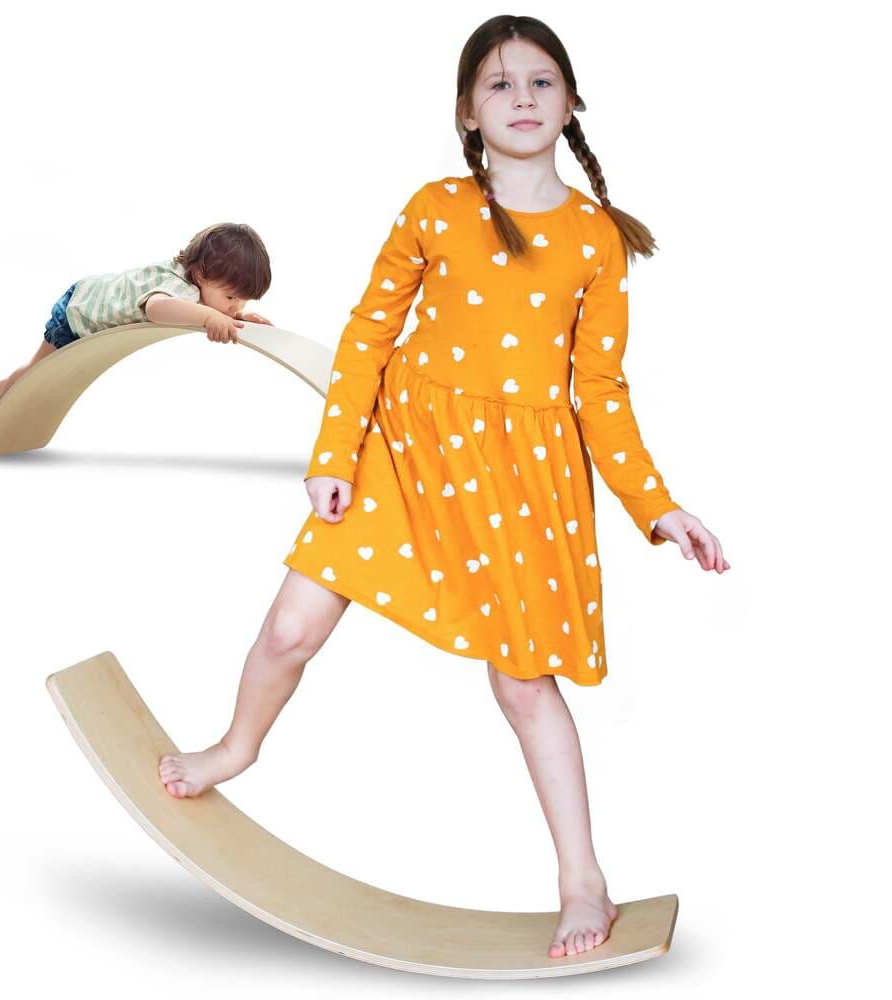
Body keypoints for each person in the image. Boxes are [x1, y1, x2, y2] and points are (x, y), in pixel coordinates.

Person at [158, 14, 729, 960]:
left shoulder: (596, 239)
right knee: (293, 626)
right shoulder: (433, 208)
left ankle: (582, 878)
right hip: (407, 454)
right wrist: (334, 459)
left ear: (572, 102)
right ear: (467, 111)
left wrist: (654, 504)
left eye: (541, 83)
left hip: (519, 480)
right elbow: (369, 336)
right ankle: (237, 745)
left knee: (524, 685)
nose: (521, 100)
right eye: (499, 86)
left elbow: (600, 388)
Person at [0, 222, 274, 423]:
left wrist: (235, 318)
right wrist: (212, 316)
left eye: (243, 301)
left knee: (36, 369)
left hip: (88, 296)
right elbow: (158, 308)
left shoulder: (197, 282)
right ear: (200, 277)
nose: (235, 306)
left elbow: (205, 307)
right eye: (231, 297)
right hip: (78, 312)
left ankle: (7, 382)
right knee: (37, 371)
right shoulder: (178, 288)